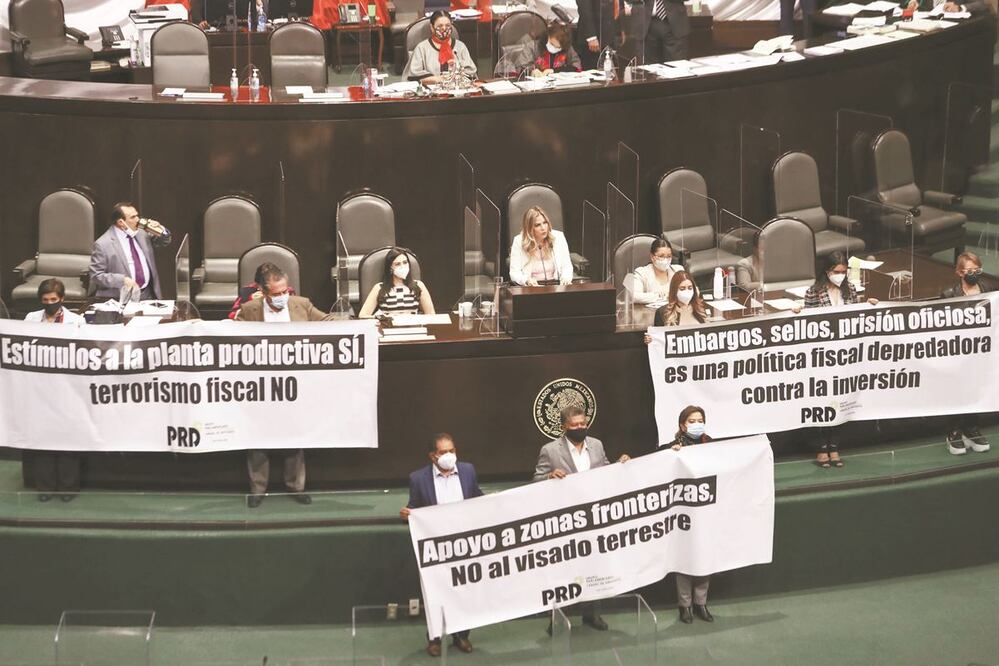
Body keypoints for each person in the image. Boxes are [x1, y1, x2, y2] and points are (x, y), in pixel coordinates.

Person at [235, 264, 334, 506]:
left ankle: (295, 486)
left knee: (294, 436)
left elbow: (329, 321)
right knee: (258, 438)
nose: (283, 297)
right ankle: (258, 489)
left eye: (285, 292)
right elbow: (231, 337)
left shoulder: (302, 304)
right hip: (261, 385)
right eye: (277, 294)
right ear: (262, 291)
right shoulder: (249, 310)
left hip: (295, 383)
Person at [533, 405, 630, 633]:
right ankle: (558, 619)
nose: (580, 428)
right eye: (575, 425)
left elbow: (606, 471)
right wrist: (549, 476)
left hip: (594, 518)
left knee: (594, 567)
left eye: (583, 424)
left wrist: (621, 465)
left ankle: (592, 614)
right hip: (565, 521)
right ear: (564, 427)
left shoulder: (596, 445)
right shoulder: (550, 450)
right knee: (564, 571)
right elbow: (536, 480)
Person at [401, 433, 484, 657]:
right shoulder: (418, 478)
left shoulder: (468, 470)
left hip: (465, 544)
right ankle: (435, 638)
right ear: (432, 456)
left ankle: (461, 635)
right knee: (434, 592)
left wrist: (493, 503)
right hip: (435, 546)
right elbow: (414, 507)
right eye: (443, 452)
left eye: (452, 451)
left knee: (464, 589)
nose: (449, 455)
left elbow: (477, 496)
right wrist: (408, 514)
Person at [798, 251, 878, 468]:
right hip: (822, 355)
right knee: (821, 401)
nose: (840, 275)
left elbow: (856, 315)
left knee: (841, 401)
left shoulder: (850, 289)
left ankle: (834, 445)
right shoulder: (814, 291)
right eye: (837, 271)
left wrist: (869, 305)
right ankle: (820, 446)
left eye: (844, 271)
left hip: (844, 356)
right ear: (827, 271)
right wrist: (798, 311)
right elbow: (807, 322)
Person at [22, 278, 84, 502]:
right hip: (40, 389)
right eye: (45, 300)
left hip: (67, 389)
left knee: (67, 438)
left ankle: (68, 487)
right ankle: (45, 486)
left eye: (53, 300)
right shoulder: (30, 319)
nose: (49, 303)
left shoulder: (76, 321)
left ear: (62, 299)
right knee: (43, 438)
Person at [662, 405, 714, 623]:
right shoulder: (672, 448)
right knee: (684, 558)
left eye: (700, 420)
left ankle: (701, 603)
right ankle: (685, 606)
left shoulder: (711, 445)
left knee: (704, 557)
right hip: (683, 513)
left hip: (705, 510)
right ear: (682, 425)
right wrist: (670, 455)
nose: (696, 424)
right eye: (692, 421)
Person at [940, 252, 993, 455]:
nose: (974, 273)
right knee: (956, 392)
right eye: (970, 270)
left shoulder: (988, 290)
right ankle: (954, 432)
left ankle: (971, 429)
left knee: (975, 390)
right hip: (957, 353)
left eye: (977, 270)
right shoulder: (948, 294)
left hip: (981, 352)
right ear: (960, 272)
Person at [90, 202, 172, 301]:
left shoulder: (142, 233)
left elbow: (163, 241)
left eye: (137, 215)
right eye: (133, 217)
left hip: (147, 295)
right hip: (120, 298)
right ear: (121, 222)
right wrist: (122, 280)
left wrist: (160, 228)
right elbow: (96, 275)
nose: (138, 220)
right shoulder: (103, 244)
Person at [358, 247, 436, 318]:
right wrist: (381, 318)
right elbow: (362, 315)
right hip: (388, 327)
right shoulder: (379, 288)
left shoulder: (419, 285)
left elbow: (431, 314)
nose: (403, 266)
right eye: (397, 264)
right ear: (390, 268)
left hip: (414, 326)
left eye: (405, 262)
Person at [404, 11, 478, 84]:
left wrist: (455, 76)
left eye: (447, 25)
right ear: (432, 27)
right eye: (440, 26)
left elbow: (470, 73)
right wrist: (436, 79)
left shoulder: (460, 46)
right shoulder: (421, 48)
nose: (444, 28)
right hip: (431, 89)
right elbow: (414, 76)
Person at [509, 206, 574, 286]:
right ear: (529, 228)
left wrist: (566, 278)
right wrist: (526, 280)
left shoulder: (558, 237)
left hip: (556, 285)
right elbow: (514, 273)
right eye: (537, 225)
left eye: (545, 223)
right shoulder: (519, 241)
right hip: (532, 287)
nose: (543, 228)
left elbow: (567, 266)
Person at [626, 237, 678, 305]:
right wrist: (661, 296)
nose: (665, 260)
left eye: (669, 256)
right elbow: (634, 296)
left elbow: (691, 292)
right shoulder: (641, 272)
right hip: (648, 311)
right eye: (661, 256)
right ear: (652, 257)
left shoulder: (677, 270)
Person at [576, 0, 621, 70]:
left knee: (610, 72)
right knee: (593, 72)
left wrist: (620, 31)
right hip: (594, 40)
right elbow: (585, 9)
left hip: (611, 36)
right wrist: (591, 37)